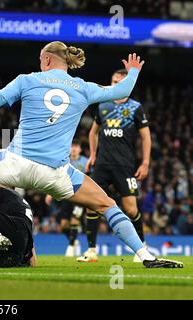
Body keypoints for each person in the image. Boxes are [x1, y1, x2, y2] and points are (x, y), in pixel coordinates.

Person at [0, 41, 182, 268]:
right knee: (107, 204)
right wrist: (133, 72)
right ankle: (145, 255)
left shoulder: (28, 80)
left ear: (47, 59)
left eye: (41, 61)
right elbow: (121, 91)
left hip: (16, 164)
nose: (40, 64)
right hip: (58, 174)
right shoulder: (84, 88)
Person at [77, 69, 151, 263]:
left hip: (125, 166)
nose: (116, 84)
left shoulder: (136, 108)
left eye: (120, 81)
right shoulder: (103, 105)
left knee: (131, 208)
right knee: (92, 205)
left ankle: (142, 247)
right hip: (102, 165)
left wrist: (145, 163)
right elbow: (93, 132)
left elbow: (146, 137)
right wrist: (92, 155)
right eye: (114, 81)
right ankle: (91, 250)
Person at [45, 139, 87, 257]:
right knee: (63, 224)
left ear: (80, 149)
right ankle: (73, 240)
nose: (74, 149)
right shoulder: (63, 160)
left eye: (76, 146)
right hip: (66, 196)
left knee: (75, 219)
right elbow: (55, 177)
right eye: (72, 146)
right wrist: (49, 193)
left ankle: (71, 245)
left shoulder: (85, 162)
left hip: (80, 196)